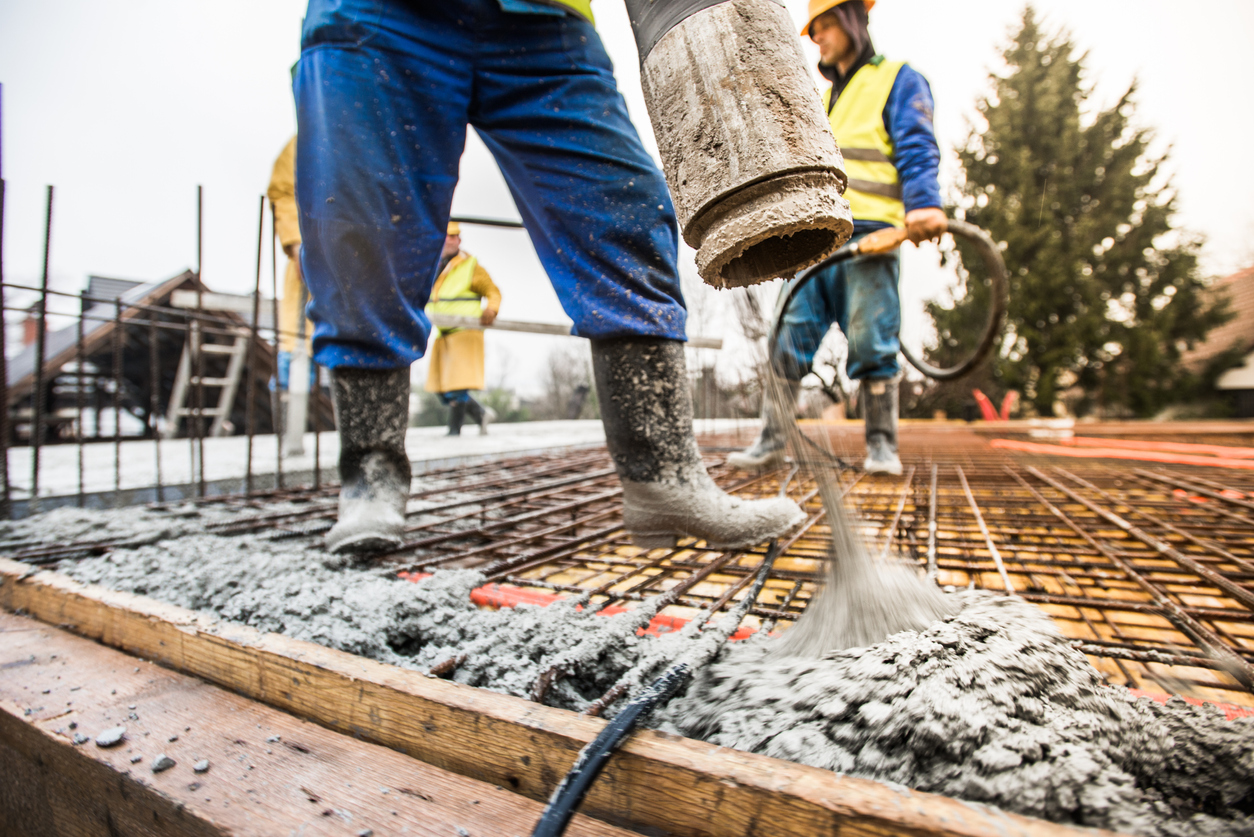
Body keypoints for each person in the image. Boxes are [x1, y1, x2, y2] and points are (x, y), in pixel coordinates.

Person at [294, 0, 806, 556]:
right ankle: (371, 477)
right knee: (364, 233)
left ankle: (664, 477)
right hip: (382, 15)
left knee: (625, 209)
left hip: (544, 20)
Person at [727, 0, 945, 476]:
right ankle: (770, 442)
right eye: (814, 30)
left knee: (872, 340)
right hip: (816, 238)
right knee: (787, 336)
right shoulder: (824, 100)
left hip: (872, 237)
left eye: (824, 26)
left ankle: (882, 447)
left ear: (851, 20)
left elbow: (916, 145)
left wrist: (924, 203)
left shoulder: (898, 78)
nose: (818, 38)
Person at [424, 222, 501, 436]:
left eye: (454, 236)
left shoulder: (470, 265)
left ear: (459, 240)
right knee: (441, 389)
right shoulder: (433, 266)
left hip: (465, 330)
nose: (450, 240)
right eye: (446, 236)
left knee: (458, 387)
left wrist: (492, 310)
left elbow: (493, 292)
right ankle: (481, 414)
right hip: (443, 332)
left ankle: (453, 432)